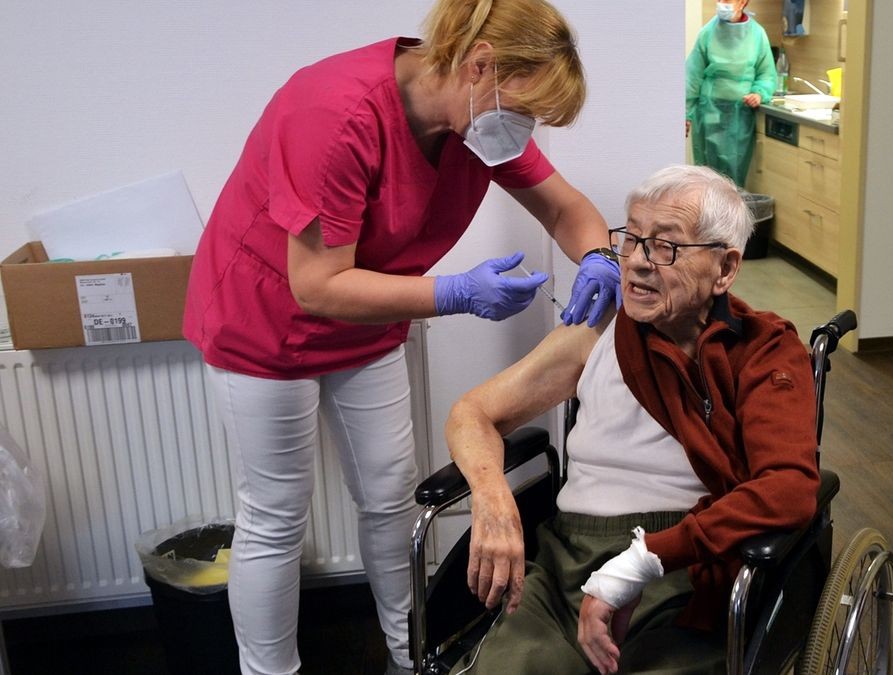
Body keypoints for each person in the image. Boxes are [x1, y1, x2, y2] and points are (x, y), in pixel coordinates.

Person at [181, 1, 620, 673]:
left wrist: (600, 257)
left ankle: (410, 657)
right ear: (481, 66)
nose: (526, 132)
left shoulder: (478, 122)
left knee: (390, 495)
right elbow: (318, 285)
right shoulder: (335, 113)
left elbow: (565, 207)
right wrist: (456, 292)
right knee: (275, 514)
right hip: (265, 322)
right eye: (527, 112)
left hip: (370, 318)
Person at [444, 165, 821, 674]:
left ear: (725, 269)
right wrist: (493, 500)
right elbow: (472, 414)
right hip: (566, 562)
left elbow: (789, 489)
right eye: (631, 239)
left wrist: (644, 560)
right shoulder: (597, 334)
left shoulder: (762, 351)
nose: (639, 263)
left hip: (681, 565)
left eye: (665, 247)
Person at [685, 0, 777, 187]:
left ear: (742, 2)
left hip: (739, 114)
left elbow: (766, 73)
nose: (722, 3)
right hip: (709, 110)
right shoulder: (708, 32)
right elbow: (692, 76)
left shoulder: (757, 34)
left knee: (733, 174)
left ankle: (730, 216)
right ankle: (705, 216)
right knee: (706, 175)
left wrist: (759, 93)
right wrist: (685, 113)